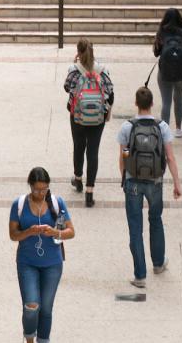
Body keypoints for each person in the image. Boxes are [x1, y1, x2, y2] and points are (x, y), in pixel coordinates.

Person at [117, 87, 182, 288]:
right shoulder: (162, 127)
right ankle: (158, 262)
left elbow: (124, 156)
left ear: (136, 104)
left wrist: (125, 178)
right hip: (155, 181)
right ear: (152, 104)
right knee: (155, 219)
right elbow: (170, 157)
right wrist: (177, 183)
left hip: (133, 182)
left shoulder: (127, 128)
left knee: (135, 228)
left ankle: (140, 276)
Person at [9, 167, 75, 343]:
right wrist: (29, 232)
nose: (40, 193)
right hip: (27, 262)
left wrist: (55, 232)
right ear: (30, 186)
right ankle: (29, 337)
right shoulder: (19, 204)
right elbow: (13, 235)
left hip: (53, 263)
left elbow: (71, 231)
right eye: (37, 189)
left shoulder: (56, 202)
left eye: (44, 189)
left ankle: (43, 340)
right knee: (31, 305)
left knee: (46, 308)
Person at [63, 39, 114, 208]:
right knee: (93, 151)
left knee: (79, 146)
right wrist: (108, 111)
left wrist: (74, 64)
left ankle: (78, 179)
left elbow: (67, 88)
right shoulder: (102, 69)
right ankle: (89, 192)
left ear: (78, 52)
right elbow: (110, 92)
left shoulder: (74, 70)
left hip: (77, 116)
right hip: (97, 118)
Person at [153, 8, 182, 138]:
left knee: (166, 102)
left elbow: (156, 53)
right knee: (179, 100)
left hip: (164, 72)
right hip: (181, 72)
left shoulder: (162, 32)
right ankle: (178, 129)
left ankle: (165, 132)